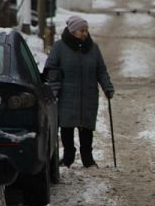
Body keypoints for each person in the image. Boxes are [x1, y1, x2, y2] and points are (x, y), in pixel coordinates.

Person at [44, 15, 114, 168]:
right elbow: (51, 70)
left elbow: (101, 70)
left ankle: (87, 158)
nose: (85, 33)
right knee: (67, 127)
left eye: (86, 30)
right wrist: (53, 89)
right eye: (82, 30)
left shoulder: (93, 48)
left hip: (88, 95)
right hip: (66, 95)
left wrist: (107, 86)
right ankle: (68, 156)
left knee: (87, 128)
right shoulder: (59, 47)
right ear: (72, 31)